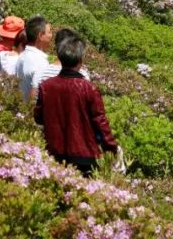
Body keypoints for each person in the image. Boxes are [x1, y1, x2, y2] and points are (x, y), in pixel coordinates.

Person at [33, 30, 118, 176]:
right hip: (85, 155)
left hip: (54, 153)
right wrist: (112, 147)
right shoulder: (89, 88)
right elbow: (100, 122)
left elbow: (38, 117)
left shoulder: (46, 86)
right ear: (80, 60)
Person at [15, 15, 53, 102]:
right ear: (40, 36)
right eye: (49, 32)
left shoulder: (22, 55)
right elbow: (35, 93)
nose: (51, 35)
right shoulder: (40, 61)